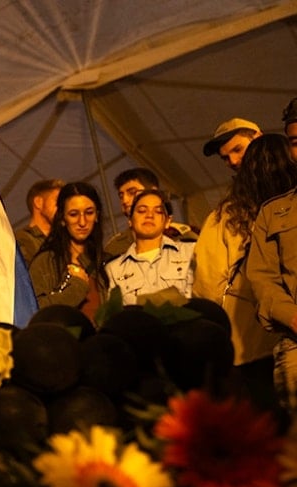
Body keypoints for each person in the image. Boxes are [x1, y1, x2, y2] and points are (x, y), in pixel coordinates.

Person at [195, 134, 296, 413]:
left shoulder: (226, 215)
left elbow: (208, 284)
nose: (232, 162)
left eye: (238, 151)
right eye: (225, 157)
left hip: (250, 344)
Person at [28, 182, 108, 322]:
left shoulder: (106, 262)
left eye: (89, 213)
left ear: (97, 215)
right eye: (73, 214)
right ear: (63, 219)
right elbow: (33, 310)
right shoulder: (45, 262)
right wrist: (76, 288)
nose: (82, 222)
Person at [104, 189, 194, 305]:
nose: (149, 215)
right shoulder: (114, 269)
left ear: (168, 221)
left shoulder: (190, 252)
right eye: (141, 211)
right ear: (130, 220)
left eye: (158, 211)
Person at [16, 179, 63, 266]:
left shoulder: (63, 240)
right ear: (38, 202)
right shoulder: (22, 239)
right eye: (58, 201)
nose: (63, 207)